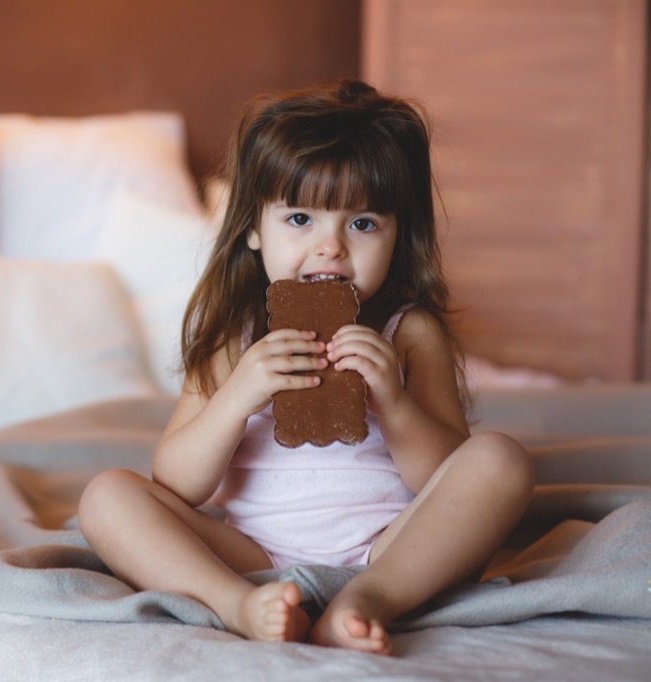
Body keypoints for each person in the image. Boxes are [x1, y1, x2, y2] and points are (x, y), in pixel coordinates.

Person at [77, 80, 533, 655]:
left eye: (362, 223)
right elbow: (177, 483)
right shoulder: (230, 338)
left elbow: (445, 476)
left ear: (398, 235)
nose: (331, 246)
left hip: (387, 545)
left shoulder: (410, 332)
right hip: (252, 549)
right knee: (107, 496)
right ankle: (236, 604)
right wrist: (239, 396)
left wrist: (393, 403)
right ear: (251, 228)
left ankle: (369, 599)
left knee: (502, 461)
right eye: (300, 219)